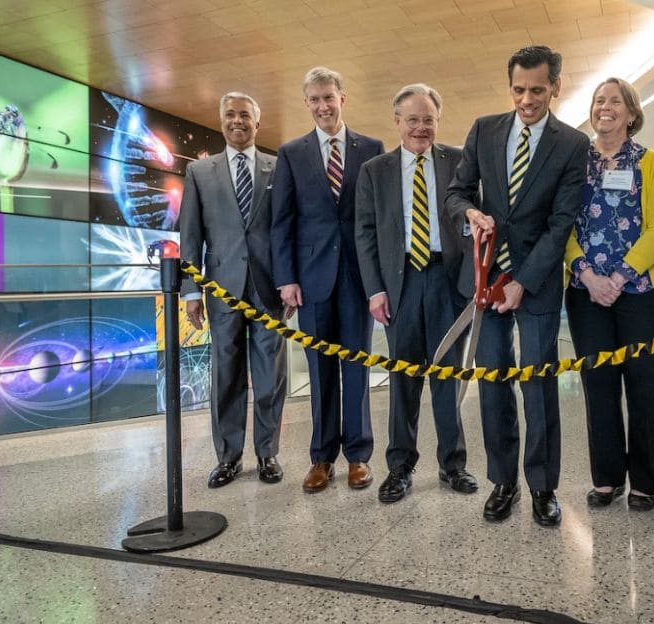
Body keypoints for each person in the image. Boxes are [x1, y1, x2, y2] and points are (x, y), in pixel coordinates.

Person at [445, 45, 588, 527]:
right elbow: (457, 190)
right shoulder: (485, 129)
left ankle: (543, 486)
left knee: (538, 386)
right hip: (484, 280)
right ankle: (503, 481)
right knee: (493, 384)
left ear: (556, 87)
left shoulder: (571, 145)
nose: (527, 99)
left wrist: (524, 282)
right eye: (519, 89)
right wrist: (469, 213)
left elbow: (561, 221)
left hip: (537, 283)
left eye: (537, 90)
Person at [354, 84, 479, 503]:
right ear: (397, 122)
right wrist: (375, 290)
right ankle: (400, 467)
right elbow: (365, 235)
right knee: (403, 377)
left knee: (448, 374)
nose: (420, 128)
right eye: (413, 119)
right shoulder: (375, 171)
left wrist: (473, 282)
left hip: (449, 280)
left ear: (437, 121)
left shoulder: (460, 162)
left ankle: (453, 464)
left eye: (428, 119)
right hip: (400, 282)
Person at [270, 67, 385, 494]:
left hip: (358, 280)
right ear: (306, 103)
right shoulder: (291, 153)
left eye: (329, 98)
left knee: (357, 369)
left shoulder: (371, 149)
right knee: (320, 372)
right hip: (311, 281)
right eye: (314, 99)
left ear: (343, 98)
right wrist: (286, 279)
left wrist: (379, 280)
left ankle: (358, 457)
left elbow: (377, 220)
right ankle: (321, 458)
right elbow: (281, 222)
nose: (322, 106)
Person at [564, 78, 654, 512]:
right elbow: (564, 226)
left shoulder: (650, 163)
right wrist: (589, 275)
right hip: (584, 290)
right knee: (598, 384)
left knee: (645, 384)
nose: (605, 107)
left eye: (615, 101)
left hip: (643, 291)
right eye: (598, 100)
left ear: (631, 112)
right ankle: (606, 477)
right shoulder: (575, 164)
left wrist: (620, 276)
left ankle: (646, 481)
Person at [179, 92, 288, 489]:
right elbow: (189, 236)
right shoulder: (199, 172)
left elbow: (286, 233)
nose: (237, 121)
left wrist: (289, 283)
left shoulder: (279, 168)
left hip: (268, 290)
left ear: (257, 124)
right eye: (230, 115)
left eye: (245, 115)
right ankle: (228, 457)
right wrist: (190, 291)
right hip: (221, 290)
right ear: (221, 122)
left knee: (269, 375)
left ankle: (267, 453)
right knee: (226, 375)